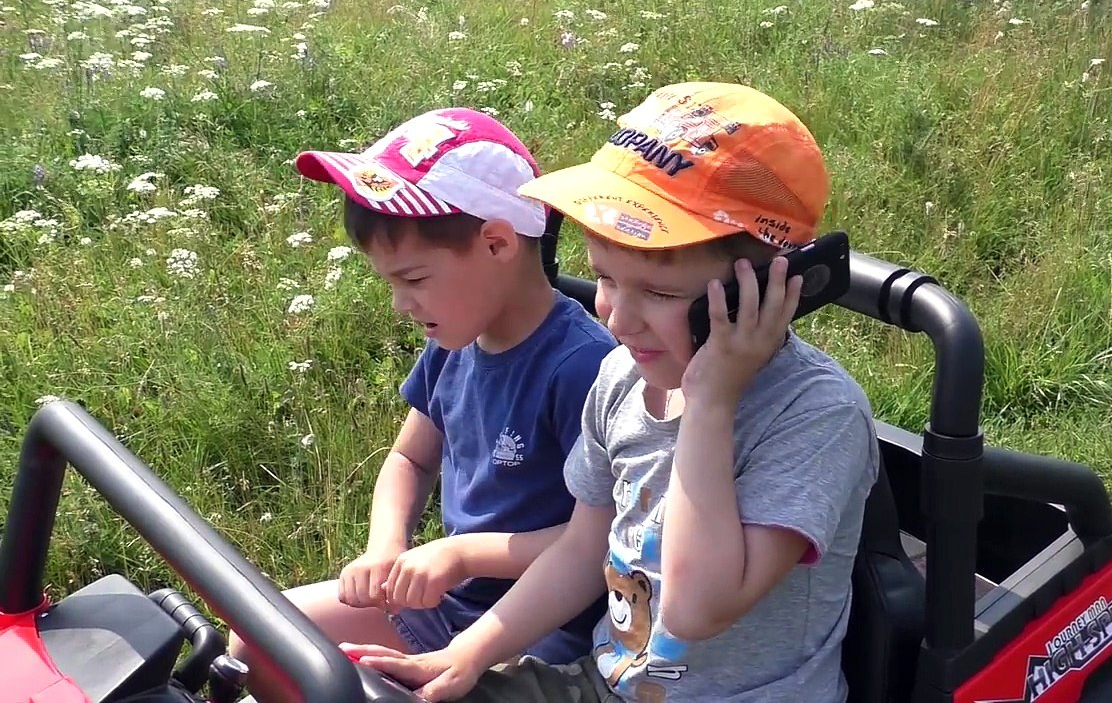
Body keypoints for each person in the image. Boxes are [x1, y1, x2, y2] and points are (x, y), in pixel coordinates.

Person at [341, 81, 881, 703]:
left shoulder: (816, 415)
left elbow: (699, 608)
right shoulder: (621, 377)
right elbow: (582, 549)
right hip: (606, 684)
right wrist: (467, 655)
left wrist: (709, 402)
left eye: (658, 292)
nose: (617, 320)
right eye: (604, 278)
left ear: (764, 289)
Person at [227, 107, 617, 702]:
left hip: (538, 633)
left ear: (496, 242)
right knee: (255, 643)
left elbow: (603, 538)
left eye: (413, 278)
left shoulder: (582, 367)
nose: (399, 305)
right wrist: (387, 546)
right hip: (443, 602)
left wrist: (462, 554)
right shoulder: (455, 338)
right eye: (390, 283)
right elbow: (410, 458)